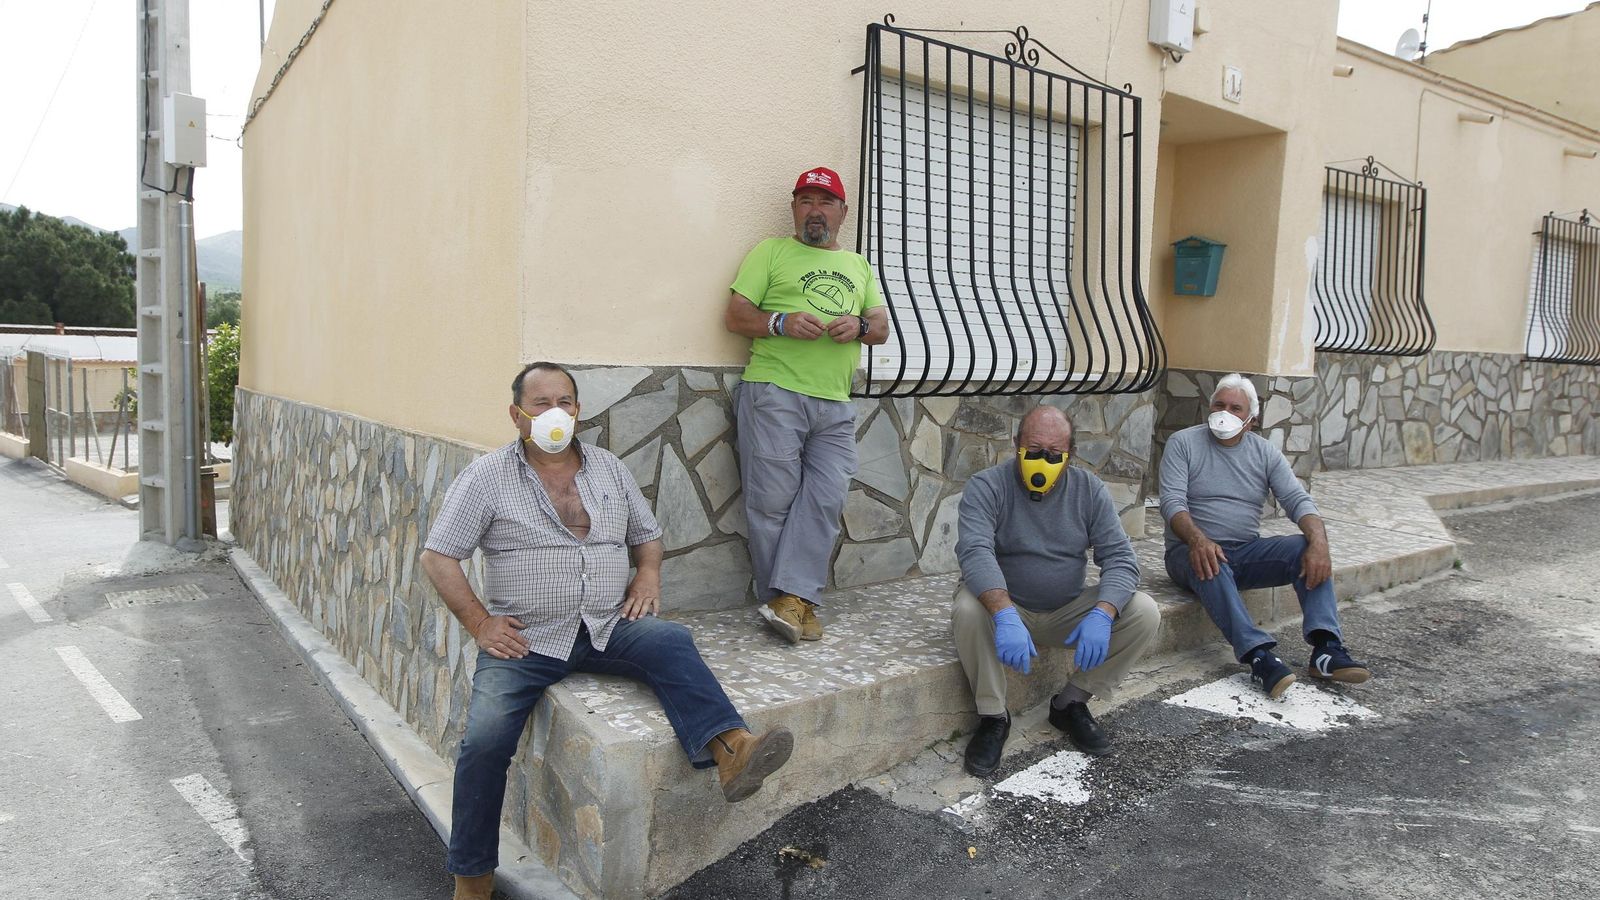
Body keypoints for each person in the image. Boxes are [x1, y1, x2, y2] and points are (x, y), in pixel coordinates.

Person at [420, 362, 794, 900]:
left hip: (605, 625)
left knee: (670, 641)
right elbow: (439, 557)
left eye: (566, 401)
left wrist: (647, 572)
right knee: (483, 744)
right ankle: (472, 881)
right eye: (542, 403)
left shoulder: (607, 469)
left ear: (578, 409)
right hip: (525, 641)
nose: (556, 412)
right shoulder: (487, 476)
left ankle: (733, 751)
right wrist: (481, 623)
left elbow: (648, 535)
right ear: (517, 415)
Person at [723, 166, 891, 643]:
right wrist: (780, 323)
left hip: (835, 402)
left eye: (825, 202)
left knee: (825, 497)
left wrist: (856, 327)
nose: (814, 211)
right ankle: (793, 601)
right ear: (794, 209)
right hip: (775, 391)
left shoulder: (858, 266)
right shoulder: (771, 252)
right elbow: (736, 315)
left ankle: (788, 601)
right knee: (772, 503)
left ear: (842, 212)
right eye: (805, 201)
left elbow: (879, 327)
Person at [952, 406, 1159, 776]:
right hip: (1005, 612)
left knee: (1144, 611)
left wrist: (1103, 612)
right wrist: (1003, 612)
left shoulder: (1088, 490)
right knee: (967, 607)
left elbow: (1121, 559)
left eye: (1053, 454)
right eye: (1033, 449)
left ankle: (1071, 704)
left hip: (1065, 610)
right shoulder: (987, 485)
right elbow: (974, 551)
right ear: (1016, 446)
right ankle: (993, 718)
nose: (1041, 460)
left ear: (1069, 455)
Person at [1159, 373, 1371, 699]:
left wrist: (1319, 542)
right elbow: (1172, 503)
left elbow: (1297, 500)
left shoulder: (1264, 453)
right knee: (1211, 559)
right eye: (1219, 404)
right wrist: (1199, 540)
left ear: (1252, 421)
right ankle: (1258, 655)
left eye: (1236, 408)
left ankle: (1326, 649)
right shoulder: (1183, 443)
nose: (1225, 412)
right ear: (1209, 407)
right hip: (1188, 552)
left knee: (1306, 548)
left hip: (1245, 551)